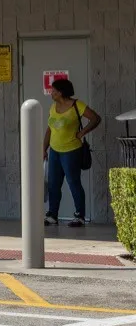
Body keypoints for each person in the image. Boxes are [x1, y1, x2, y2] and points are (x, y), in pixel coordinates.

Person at [44, 78, 100, 227]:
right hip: (55, 151)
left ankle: (79, 216)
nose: (51, 93)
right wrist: (44, 149)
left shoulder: (77, 105)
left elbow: (95, 119)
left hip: (71, 151)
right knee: (53, 184)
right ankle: (52, 215)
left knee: (73, 183)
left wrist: (82, 133)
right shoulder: (53, 107)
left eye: (54, 90)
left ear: (61, 92)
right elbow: (50, 129)